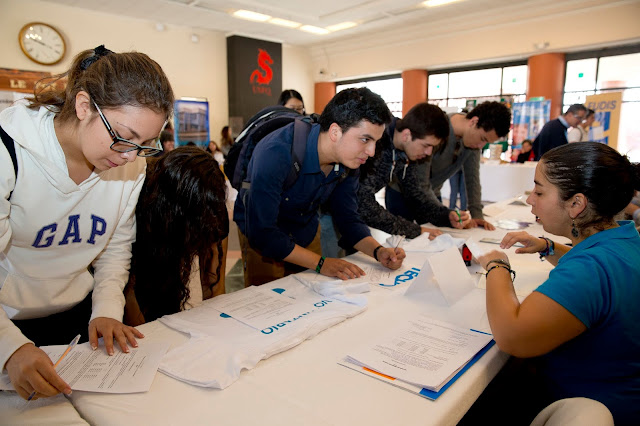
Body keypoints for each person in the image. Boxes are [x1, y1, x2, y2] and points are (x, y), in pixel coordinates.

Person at [0, 45, 174, 400]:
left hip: (76, 316)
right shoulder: (9, 153)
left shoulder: (130, 165)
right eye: (123, 136)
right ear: (83, 107)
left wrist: (108, 310)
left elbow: (115, 247)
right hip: (7, 320)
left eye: (145, 144)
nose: (129, 155)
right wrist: (9, 348)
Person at [467, 142, 640, 425]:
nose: (530, 200)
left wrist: (496, 266)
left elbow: (513, 336)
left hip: (587, 405)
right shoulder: (623, 240)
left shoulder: (591, 270)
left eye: (539, 191)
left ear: (576, 204)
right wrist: (548, 247)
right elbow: (593, 272)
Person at [233, 88, 405, 286]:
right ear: (335, 132)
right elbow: (263, 233)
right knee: (266, 304)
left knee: (311, 297)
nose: (372, 151)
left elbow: (348, 219)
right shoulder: (276, 152)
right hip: (263, 239)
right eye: (365, 139)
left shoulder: (349, 161)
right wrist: (321, 263)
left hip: (304, 230)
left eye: (376, 141)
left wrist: (378, 251)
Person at [123, 147, 229, 326]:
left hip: (177, 284)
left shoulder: (212, 209)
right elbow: (128, 294)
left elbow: (216, 285)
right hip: (144, 287)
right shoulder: (138, 212)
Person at [386, 101, 511, 230]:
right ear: (473, 122)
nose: (481, 146)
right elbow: (419, 182)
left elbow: (472, 178)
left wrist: (476, 214)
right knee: (403, 239)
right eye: (483, 139)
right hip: (401, 193)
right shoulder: (436, 127)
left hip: (431, 195)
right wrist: (445, 214)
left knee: (437, 238)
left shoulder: (472, 144)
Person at [358, 102, 471, 240]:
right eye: (426, 145)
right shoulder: (379, 143)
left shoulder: (407, 152)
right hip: (334, 207)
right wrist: (416, 230)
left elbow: (416, 195)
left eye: (433, 147)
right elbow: (364, 203)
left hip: (352, 210)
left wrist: (447, 216)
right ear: (406, 135)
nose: (429, 153)